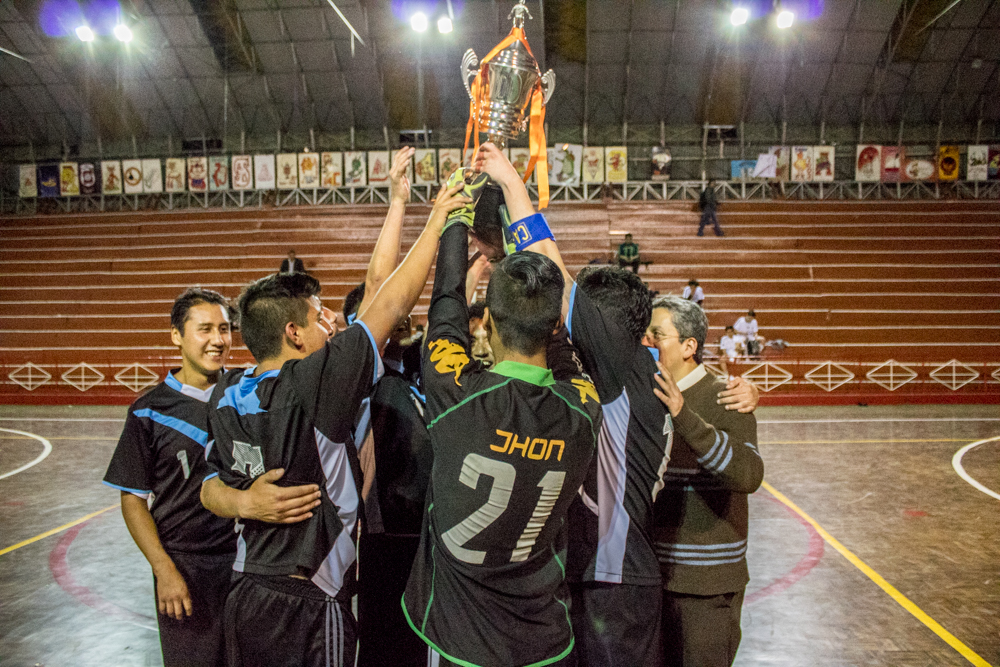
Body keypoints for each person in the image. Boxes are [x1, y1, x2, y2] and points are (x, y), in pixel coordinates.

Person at [471, 142, 758, 667]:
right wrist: (493, 253)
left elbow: (554, 279)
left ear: (606, 331)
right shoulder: (603, 376)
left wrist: (513, 185)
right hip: (585, 575)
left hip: (615, 579)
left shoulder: (626, 368)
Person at [199, 181, 471, 667]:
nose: (331, 323)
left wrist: (241, 500)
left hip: (244, 590)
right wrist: (436, 220)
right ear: (293, 333)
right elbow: (387, 302)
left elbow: (206, 486)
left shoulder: (227, 391)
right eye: (319, 316)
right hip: (309, 597)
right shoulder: (316, 381)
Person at [402, 172, 603, 667]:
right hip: (542, 638)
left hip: (459, 636)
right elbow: (561, 345)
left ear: (486, 320)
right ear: (556, 323)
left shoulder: (458, 394)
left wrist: (457, 216)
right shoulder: (583, 405)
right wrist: (514, 220)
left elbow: (445, 302)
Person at [100, 289, 241, 666]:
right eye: (205, 329)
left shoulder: (249, 391)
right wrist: (164, 569)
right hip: (186, 567)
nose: (218, 340)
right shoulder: (149, 411)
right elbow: (133, 499)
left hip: (249, 563)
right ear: (176, 335)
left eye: (225, 329)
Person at [646, 296, 762, 667]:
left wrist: (684, 415)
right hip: (651, 576)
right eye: (644, 333)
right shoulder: (645, 395)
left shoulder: (726, 395)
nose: (646, 341)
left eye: (656, 334)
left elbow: (748, 474)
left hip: (707, 584)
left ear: (689, 346)